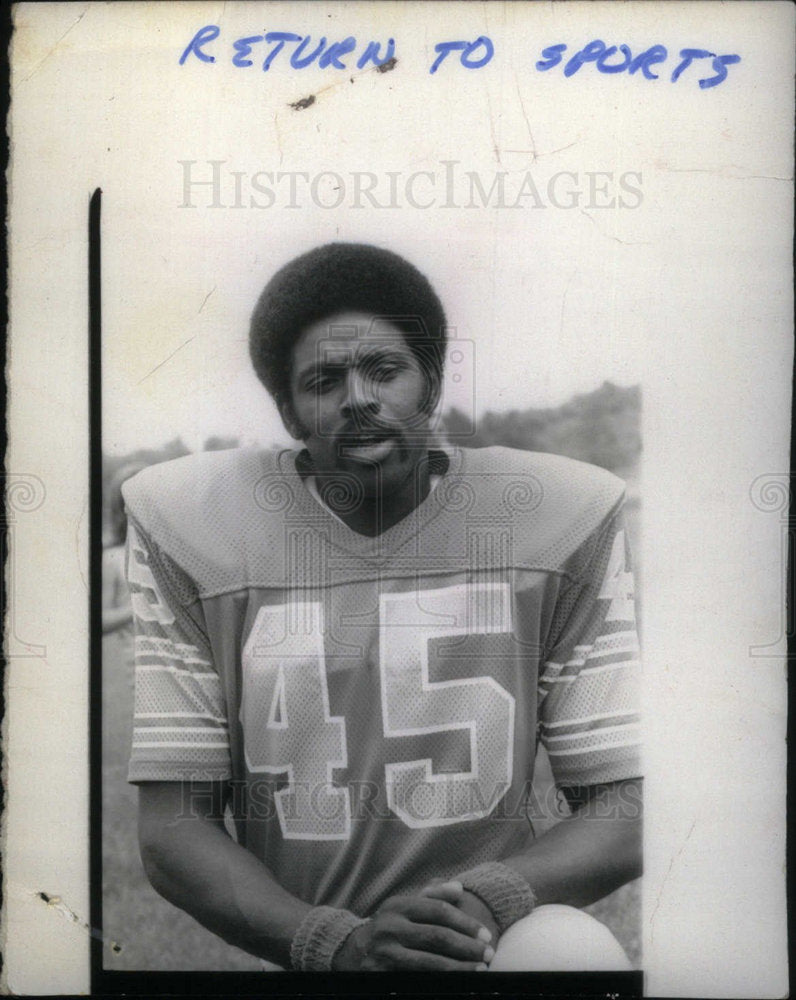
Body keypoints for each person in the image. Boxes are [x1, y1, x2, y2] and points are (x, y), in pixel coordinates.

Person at [122, 243, 642, 972]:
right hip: (312, 958)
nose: (359, 397)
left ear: (429, 386)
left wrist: (478, 906)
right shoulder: (194, 527)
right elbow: (174, 828)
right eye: (324, 379)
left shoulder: (561, 516)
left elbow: (628, 809)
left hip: (492, 949)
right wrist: (334, 944)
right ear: (289, 412)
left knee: (569, 956)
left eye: (385, 370)